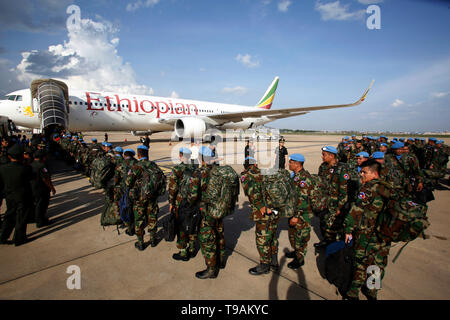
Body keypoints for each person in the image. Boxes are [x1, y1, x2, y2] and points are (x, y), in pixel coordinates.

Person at [343, 160, 396, 300]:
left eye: (364, 172)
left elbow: (356, 211)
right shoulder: (388, 187)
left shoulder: (368, 189)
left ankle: (353, 292)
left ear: (374, 173)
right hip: (384, 233)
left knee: (360, 262)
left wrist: (348, 230)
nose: (361, 175)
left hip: (367, 234)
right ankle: (372, 291)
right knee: (378, 263)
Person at [188, 146, 225, 279]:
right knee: (219, 234)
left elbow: (192, 196)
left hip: (206, 212)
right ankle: (220, 261)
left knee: (207, 239)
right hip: (219, 210)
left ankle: (211, 269)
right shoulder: (220, 172)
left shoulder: (199, 173)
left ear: (201, 158)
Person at [241, 156, 280, 275]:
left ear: (245, 165)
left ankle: (264, 265)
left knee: (262, 239)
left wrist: (260, 207)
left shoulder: (246, 175)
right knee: (272, 236)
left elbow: (251, 193)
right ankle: (274, 262)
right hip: (275, 209)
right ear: (256, 164)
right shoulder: (265, 172)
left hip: (263, 212)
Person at [126, 145, 164, 251]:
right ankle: (152, 240)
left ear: (138, 155)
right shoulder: (154, 166)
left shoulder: (136, 167)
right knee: (152, 217)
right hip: (152, 197)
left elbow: (128, 182)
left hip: (139, 199)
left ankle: (141, 242)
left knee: (139, 219)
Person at [315, 146, 351, 248]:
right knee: (323, 222)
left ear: (331, 156)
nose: (322, 157)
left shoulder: (342, 169)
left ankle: (335, 247)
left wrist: (340, 207)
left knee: (334, 225)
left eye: (324, 155)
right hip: (324, 201)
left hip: (335, 203)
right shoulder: (323, 167)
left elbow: (344, 191)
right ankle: (326, 241)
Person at [0, 144, 34, 246]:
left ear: (10, 157)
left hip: (9, 196)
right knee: (21, 218)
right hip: (23, 196)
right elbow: (32, 178)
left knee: (9, 216)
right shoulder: (25, 168)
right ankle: (19, 238)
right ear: (21, 156)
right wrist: (27, 162)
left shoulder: (2, 168)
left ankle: (3, 237)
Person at [169, 147, 198, 261]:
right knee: (191, 224)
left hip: (181, 203)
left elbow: (172, 188)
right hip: (193, 202)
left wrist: (171, 203)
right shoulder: (195, 169)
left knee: (181, 226)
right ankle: (192, 248)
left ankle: (183, 252)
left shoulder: (177, 169)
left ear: (181, 155)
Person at [286, 153, 313, 269]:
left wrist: (296, 216)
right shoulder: (295, 175)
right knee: (293, 235)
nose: (289, 164)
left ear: (297, 164)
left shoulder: (304, 179)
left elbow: (302, 200)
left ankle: (299, 259)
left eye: (290, 162)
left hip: (301, 215)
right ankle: (296, 252)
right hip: (293, 211)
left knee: (300, 237)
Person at [114, 148, 137, 235]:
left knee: (125, 207)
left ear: (124, 155)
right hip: (135, 191)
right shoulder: (137, 163)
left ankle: (129, 226)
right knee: (134, 208)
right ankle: (136, 225)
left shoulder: (121, 164)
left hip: (124, 190)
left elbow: (116, 179)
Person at [31, 150, 56, 228]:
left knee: (38, 204)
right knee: (41, 205)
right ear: (42, 157)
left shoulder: (31, 164)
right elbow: (45, 179)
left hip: (33, 188)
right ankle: (40, 221)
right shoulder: (42, 166)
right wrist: (52, 188)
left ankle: (39, 219)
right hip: (41, 189)